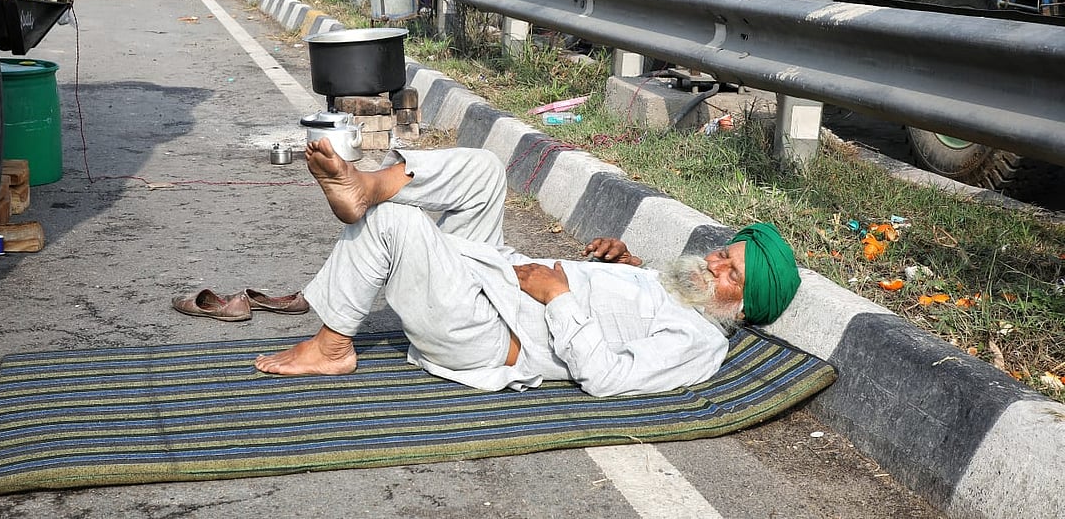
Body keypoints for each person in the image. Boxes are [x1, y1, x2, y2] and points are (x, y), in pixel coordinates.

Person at [256, 139, 801, 397]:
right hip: (493, 276)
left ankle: (332, 348)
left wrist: (559, 294)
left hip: (494, 331)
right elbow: (638, 302)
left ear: (745, 308)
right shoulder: (681, 289)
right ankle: (369, 182)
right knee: (486, 171)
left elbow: (609, 378)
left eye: (731, 275)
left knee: (396, 226)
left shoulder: (699, 343)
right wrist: (628, 265)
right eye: (724, 253)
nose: (714, 265)